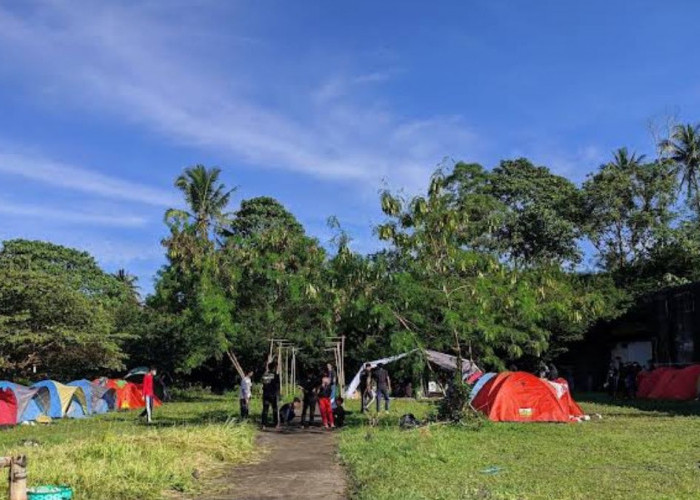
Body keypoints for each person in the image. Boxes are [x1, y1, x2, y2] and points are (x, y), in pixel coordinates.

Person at [261, 364, 281, 429]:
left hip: (266, 395)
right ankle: (276, 424)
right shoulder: (276, 376)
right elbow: (277, 386)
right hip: (273, 395)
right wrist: (278, 394)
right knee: (275, 409)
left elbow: (264, 385)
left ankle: (263, 424)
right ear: (274, 368)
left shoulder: (265, 375)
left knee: (265, 410)